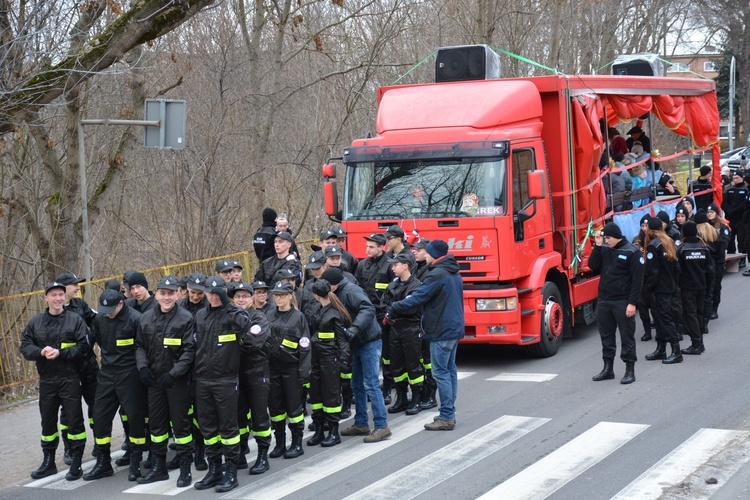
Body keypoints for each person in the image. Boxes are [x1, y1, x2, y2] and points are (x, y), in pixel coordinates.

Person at [387, 239, 464, 430]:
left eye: (427, 253)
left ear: (434, 254)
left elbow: (418, 297)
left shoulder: (436, 274)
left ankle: (446, 416)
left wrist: (394, 307)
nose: (425, 255)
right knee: (449, 370)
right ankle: (449, 411)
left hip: (441, 330)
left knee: (440, 372)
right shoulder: (453, 271)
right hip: (454, 328)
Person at [20, 282, 88, 481]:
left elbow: (83, 347)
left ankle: (76, 462)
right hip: (48, 380)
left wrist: (62, 353)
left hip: (70, 378)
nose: (58, 299)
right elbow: (25, 346)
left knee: (74, 421)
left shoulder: (75, 320)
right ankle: (48, 462)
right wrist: (40, 352)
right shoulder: (36, 322)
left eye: (60, 295)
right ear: (45, 298)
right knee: (47, 423)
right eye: (53, 295)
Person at [192, 276, 253, 492]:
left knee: (228, 428)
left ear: (224, 292)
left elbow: (246, 325)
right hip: (203, 379)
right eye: (210, 293)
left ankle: (231, 471)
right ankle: (214, 469)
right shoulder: (200, 315)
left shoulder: (233, 313)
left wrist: (229, 305)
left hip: (226, 379)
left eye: (218, 293)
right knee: (208, 429)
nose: (214, 297)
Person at [135, 276, 196, 487]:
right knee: (157, 426)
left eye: (171, 293)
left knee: (181, 426)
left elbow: (190, 351)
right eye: (163, 293)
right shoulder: (146, 318)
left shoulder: (186, 318)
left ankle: (186, 468)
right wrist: (142, 367)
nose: (167, 297)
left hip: (176, 382)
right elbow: (139, 346)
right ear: (157, 294)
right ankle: (159, 467)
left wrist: (175, 373)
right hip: (154, 381)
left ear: (178, 294)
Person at [321, 267, 391, 442]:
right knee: (356, 383)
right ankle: (361, 423)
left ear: (333, 285)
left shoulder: (351, 290)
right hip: (358, 343)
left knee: (371, 383)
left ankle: (382, 426)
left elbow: (367, 309)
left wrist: (355, 328)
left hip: (369, 341)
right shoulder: (339, 291)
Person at [84, 289, 146, 482]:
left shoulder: (136, 319)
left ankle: (135, 461)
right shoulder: (100, 319)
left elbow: (143, 347)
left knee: (135, 419)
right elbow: (101, 342)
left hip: (130, 374)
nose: (108, 312)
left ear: (121, 304)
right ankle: (103, 462)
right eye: (105, 309)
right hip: (108, 374)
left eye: (111, 309)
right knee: (100, 416)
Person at [588, 223, 644, 385]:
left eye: (608, 238)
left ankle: (629, 370)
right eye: (605, 239)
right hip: (605, 300)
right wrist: (598, 246)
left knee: (627, 336)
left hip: (622, 301)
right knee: (606, 336)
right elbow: (592, 266)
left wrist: (632, 303)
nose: (606, 241)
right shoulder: (605, 249)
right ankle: (608, 368)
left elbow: (637, 281)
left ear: (616, 236)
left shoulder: (631, 252)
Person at [227, 282, 273, 475]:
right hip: (235, 373)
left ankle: (263, 456)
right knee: (238, 416)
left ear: (252, 298)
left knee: (259, 416)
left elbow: (253, 342)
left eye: (245, 296)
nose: (241, 300)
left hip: (257, 372)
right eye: (237, 297)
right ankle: (240, 453)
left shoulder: (258, 318)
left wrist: (232, 341)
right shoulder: (228, 317)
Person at [54, 272, 97, 467]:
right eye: (74, 284)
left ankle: (100, 441)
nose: (78, 287)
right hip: (68, 368)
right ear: (63, 288)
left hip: (88, 364)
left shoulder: (80, 305)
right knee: (68, 410)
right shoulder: (55, 310)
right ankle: (70, 447)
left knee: (96, 403)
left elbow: (95, 322)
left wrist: (91, 341)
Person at [265, 281, 311, 460]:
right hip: (272, 368)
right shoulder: (269, 314)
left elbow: (305, 346)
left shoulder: (298, 317)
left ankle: (297, 443)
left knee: (294, 408)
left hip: (291, 368)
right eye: (276, 295)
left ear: (290, 296)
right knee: (276, 409)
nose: (278, 299)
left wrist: (303, 372)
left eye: (282, 295)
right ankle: (280, 443)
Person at [307, 279, 352, 448]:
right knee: (316, 395)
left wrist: (343, 360)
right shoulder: (318, 310)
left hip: (329, 359)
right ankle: (319, 430)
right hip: (316, 358)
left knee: (331, 396)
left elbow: (342, 341)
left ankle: (333, 431)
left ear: (316, 295)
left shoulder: (335, 313)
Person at [381, 251, 424, 415]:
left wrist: (394, 309)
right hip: (395, 328)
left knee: (413, 365)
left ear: (405, 266)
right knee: (396, 365)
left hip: (411, 328)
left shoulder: (416, 285)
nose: (392, 268)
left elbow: (410, 307)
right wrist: (393, 310)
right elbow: (384, 304)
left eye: (395, 265)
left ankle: (417, 399)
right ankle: (401, 397)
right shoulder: (392, 285)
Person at [354, 232, 392, 404]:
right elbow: (357, 288)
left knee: (385, 354)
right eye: (367, 246)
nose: (367, 250)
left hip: (382, 315)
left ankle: (387, 389)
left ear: (381, 247)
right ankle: (370, 388)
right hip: (366, 315)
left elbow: (394, 292)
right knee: (370, 355)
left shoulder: (390, 266)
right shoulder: (362, 265)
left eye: (371, 247)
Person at [642, 218, 683, 365]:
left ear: (650, 230)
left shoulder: (653, 245)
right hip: (670, 286)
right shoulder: (669, 242)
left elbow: (653, 271)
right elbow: (677, 267)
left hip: (660, 289)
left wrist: (648, 288)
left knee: (664, 319)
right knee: (661, 319)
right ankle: (661, 348)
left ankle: (675, 350)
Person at [677, 222, 714, 355]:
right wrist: (709, 287)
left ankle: (696, 344)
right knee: (699, 313)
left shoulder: (682, 249)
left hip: (687, 287)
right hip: (702, 286)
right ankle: (700, 343)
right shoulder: (704, 248)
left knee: (690, 315)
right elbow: (710, 270)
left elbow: (678, 270)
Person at [410, 238, 437, 409]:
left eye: (419, 250)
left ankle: (431, 395)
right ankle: (422, 395)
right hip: (416, 319)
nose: (415, 252)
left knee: (428, 361)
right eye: (414, 249)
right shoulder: (416, 267)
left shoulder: (430, 271)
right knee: (419, 360)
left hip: (426, 320)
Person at [694, 210, 719, 334]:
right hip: (712, 266)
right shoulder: (714, 231)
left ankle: (699, 322)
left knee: (699, 296)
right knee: (708, 296)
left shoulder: (697, 233)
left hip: (699, 267)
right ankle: (705, 323)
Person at [706, 203, 730, 319]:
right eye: (708, 212)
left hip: (717, 261)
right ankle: (707, 307)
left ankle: (714, 309)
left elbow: (724, 244)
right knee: (707, 285)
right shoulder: (705, 226)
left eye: (712, 212)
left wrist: (714, 243)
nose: (709, 214)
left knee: (715, 285)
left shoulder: (722, 227)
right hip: (707, 260)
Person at [632, 215, 654, 342]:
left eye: (646, 226)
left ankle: (657, 326)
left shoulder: (653, 240)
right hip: (640, 276)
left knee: (655, 305)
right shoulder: (637, 239)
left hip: (651, 275)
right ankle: (647, 331)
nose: (644, 228)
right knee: (643, 306)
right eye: (642, 226)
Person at [722, 171, 747, 260]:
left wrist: (734, 211)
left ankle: (742, 258)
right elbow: (724, 203)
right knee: (730, 239)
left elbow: (744, 204)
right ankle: (731, 256)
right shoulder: (730, 190)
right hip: (730, 218)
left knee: (741, 239)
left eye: (737, 178)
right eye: (734, 178)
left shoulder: (745, 190)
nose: (735, 180)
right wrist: (728, 210)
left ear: (742, 178)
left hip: (740, 219)